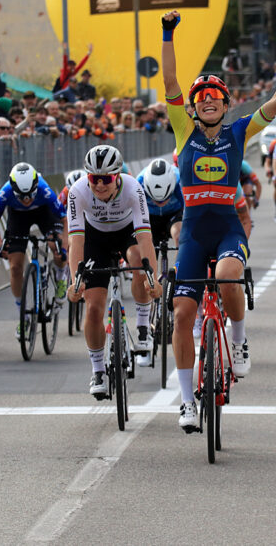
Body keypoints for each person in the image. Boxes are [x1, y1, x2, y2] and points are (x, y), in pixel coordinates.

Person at [160, 8, 276, 432]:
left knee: (230, 275)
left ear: (226, 105)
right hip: (193, 232)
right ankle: (186, 402)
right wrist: (167, 34)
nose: (208, 99)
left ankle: (239, 339)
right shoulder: (184, 132)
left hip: (227, 227)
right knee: (180, 316)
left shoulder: (239, 132)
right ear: (193, 108)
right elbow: (171, 83)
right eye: (201, 97)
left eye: (215, 96)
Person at [66, 145, 161, 400]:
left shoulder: (133, 188)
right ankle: (97, 370)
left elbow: (144, 237)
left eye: (105, 179)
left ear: (117, 175)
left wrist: (152, 277)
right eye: (93, 179)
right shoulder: (77, 192)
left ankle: (142, 325)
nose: (99, 185)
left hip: (126, 232)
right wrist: (76, 281)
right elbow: (75, 241)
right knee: (94, 307)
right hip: (94, 238)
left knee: (137, 262)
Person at [0, 162, 68, 321]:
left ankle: (60, 278)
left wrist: (63, 248)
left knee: (54, 246)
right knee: (15, 266)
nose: (27, 199)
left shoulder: (45, 190)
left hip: (44, 213)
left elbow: (65, 221)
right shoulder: (5, 193)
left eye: (30, 194)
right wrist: (1, 243)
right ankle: (22, 314)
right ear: (13, 189)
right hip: (18, 217)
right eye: (22, 196)